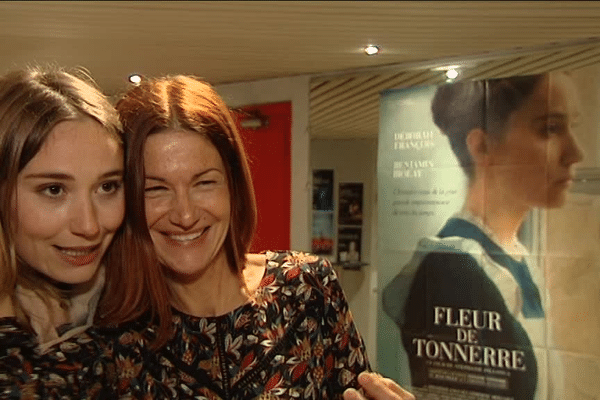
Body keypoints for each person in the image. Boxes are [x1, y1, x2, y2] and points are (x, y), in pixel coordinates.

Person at [0, 68, 413, 400]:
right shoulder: (111, 344)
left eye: (203, 183)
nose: (184, 214)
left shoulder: (306, 288)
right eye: (156, 188)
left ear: (233, 185)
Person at [382, 72, 583, 399]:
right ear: (482, 145)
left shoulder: (514, 256)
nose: (575, 153)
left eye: (572, 127)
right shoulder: (453, 266)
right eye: (550, 128)